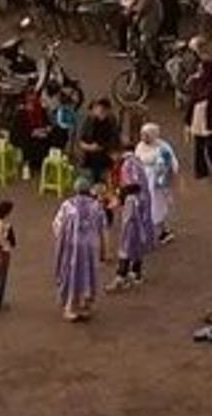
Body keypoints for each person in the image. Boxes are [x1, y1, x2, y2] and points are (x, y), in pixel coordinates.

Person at [53, 178, 107, 322]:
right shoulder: (96, 206)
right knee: (88, 274)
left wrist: (62, 240)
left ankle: (71, 307)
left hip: (72, 247)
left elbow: (57, 225)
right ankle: (85, 304)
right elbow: (102, 228)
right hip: (90, 247)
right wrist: (103, 249)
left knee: (71, 275)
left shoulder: (67, 205)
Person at [110, 146, 158, 291]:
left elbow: (133, 185)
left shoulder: (128, 164)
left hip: (134, 205)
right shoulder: (136, 161)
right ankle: (135, 272)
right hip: (141, 204)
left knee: (127, 238)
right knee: (136, 238)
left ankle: (121, 276)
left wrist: (119, 197)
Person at [135, 122, 180, 244]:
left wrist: (165, 175)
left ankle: (164, 231)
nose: (143, 138)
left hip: (156, 184)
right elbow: (137, 160)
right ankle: (145, 232)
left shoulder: (163, 147)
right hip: (143, 181)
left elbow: (172, 162)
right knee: (142, 206)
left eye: (146, 135)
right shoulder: (140, 146)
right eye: (142, 135)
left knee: (157, 206)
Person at [75, 99, 121, 185]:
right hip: (89, 157)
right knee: (89, 180)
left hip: (105, 155)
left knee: (107, 181)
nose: (101, 113)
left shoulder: (111, 121)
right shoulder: (88, 121)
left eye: (104, 111)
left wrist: (113, 152)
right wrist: (90, 147)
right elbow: (80, 141)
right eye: (99, 110)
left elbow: (115, 140)